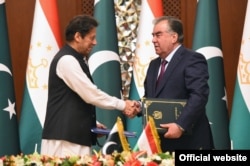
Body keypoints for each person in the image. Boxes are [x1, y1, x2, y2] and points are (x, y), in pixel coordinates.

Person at [41, 15, 138, 157]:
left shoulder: (76, 59)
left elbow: (74, 98)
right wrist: (123, 105)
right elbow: (90, 94)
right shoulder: (67, 60)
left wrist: (92, 122)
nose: (95, 42)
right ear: (78, 36)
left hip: (73, 136)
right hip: (64, 139)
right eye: (91, 38)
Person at [139, 16, 214, 151]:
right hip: (161, 142)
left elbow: (199, 95)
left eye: (158, 35)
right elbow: (151, 98)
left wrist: (180, 125)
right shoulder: (154, 64)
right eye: (153, 35)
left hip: (189, 141)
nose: (153, 40)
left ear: (174, 37)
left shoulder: (192, 59)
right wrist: (138, 106)